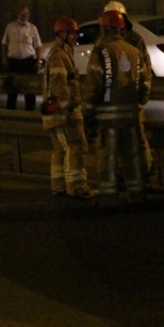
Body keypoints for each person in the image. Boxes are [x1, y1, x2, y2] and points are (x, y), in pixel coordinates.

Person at [82, 9, 151, 200]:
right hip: (131, 117)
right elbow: (145, 83)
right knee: (133, 157)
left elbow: (93, 87)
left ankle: (109, 195)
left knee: (108, 159)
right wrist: (140, 101)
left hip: (107, 120)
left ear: (104, 29)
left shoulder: (101, 52)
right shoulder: (135, 53)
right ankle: (137, 192)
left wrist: (87, 114)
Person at [98, 0, 154, 176]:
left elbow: (145, 71)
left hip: (120, 103)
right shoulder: (107, 42)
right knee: (126, 143)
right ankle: (134, 177)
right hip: (122, 103)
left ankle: (137, 175)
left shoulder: (132, 40)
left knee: (130, 142)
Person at [43, 16, 93, 198]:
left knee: (60, 150)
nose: (74, 37)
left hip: (53, 112)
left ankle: (59, 186)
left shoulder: (58, 54)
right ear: (61, 34)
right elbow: (59, 85)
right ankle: (77, 187)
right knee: (75, 147)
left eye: (75, 33)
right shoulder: (60, 56)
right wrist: (68, 108)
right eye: (71, 33)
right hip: (63, 112)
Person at [1, 6, 41, 111]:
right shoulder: (10, 27)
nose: (24, 15)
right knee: (12, 88)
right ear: (17, 14)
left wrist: (38, 60)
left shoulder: (32, 28)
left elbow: (38, 45)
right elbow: (4, 44)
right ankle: (10, 111)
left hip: (28, 62)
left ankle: (30, 110)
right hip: (13, 62)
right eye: (22, 13)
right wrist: (5, 58)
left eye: (27, 13)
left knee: (29, 89)